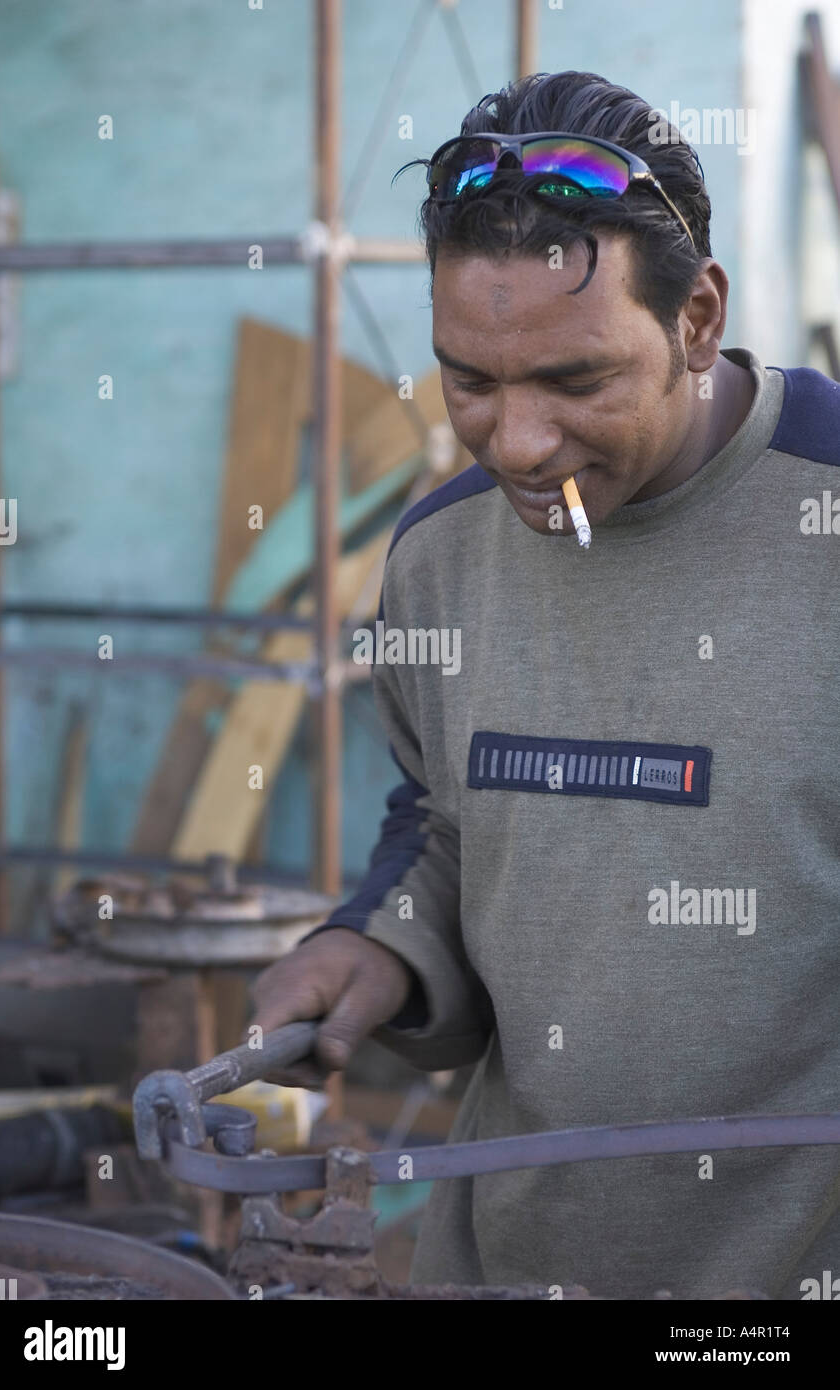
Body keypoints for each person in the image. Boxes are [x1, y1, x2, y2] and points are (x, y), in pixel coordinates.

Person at [251, 70, 840, 1298]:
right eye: (469, 379)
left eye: (573, 382)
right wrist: (379, 952)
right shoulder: (440, 559)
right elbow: (448, 827)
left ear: (694, 319)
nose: (515, 441)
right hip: (505, 1268)